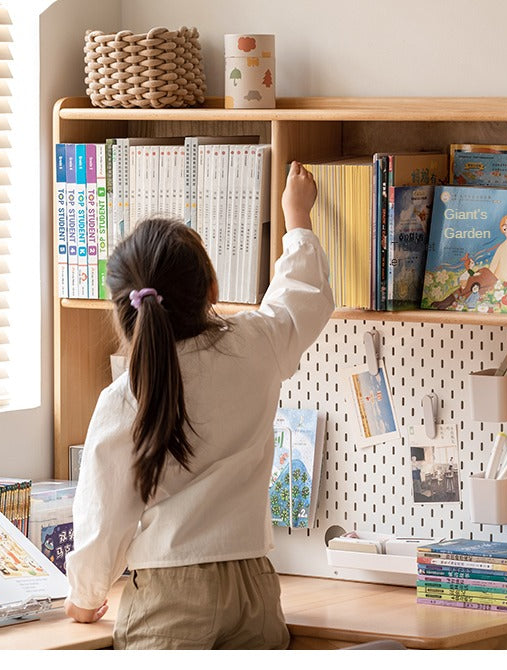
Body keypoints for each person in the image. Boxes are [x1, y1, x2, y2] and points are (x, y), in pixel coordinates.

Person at [63, 161, 334, 650]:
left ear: (123, 311)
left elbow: (105, 514)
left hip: (171, 596)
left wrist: (86, 595)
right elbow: (301, 299)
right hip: (254, 586)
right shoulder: (255, 343)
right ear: (212, 288)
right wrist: (296, 219)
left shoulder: (126, 397)